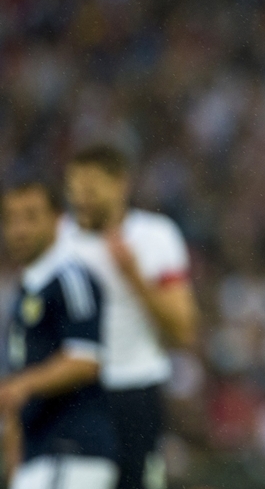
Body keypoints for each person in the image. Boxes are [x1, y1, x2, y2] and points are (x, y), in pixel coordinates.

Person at [61, 145, 198, 489]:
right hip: (76, 394)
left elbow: (183, 329)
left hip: (136, 391)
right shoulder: (58, 240)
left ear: (121, 184)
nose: (82, 198)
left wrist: (134, 275)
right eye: (75, 189)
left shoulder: (155, 236)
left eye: (91, 188)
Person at [1, 180, 118, 488]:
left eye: (30, 216)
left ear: (57, 219)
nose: (19, 229)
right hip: (38, 457)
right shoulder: (25, 293)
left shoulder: (70, 278)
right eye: (11, 218)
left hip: (72, 450)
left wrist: (21, 385)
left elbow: (86, 358)